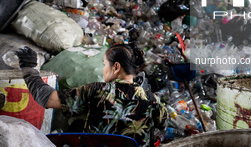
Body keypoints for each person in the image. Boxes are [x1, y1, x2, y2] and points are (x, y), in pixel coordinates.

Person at [15, 44, 169, 147]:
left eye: (104, 65)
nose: (103, 70)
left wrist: (29, 69)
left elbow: (46, 98)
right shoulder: (152, 100)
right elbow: (163, 126)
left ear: (116, 67)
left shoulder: (96, 90)